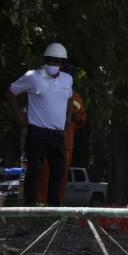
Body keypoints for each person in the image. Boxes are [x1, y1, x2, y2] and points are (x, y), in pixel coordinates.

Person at [7, 43, 75, 207]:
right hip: (37, 133)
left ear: (62, 63)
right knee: (35, 170)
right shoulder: (33, 76)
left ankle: (53, 207)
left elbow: (70, 96)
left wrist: (67, 118)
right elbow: (11, 91)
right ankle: (30, 206)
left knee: (59, 170)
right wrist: (17, 114)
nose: (52, 64)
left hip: (58, 134)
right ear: (45, 60)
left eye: (56, 61)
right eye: (49, 61)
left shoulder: (67, 79)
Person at [35, 85, 87, 205]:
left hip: (67, 143)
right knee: (45, 171)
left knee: (62, 175)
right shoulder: (51, 93)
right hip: (49, 140)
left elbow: (83, 118)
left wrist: (79, 118)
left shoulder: (77, 97)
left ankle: (57, 203)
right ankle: (41, 202)